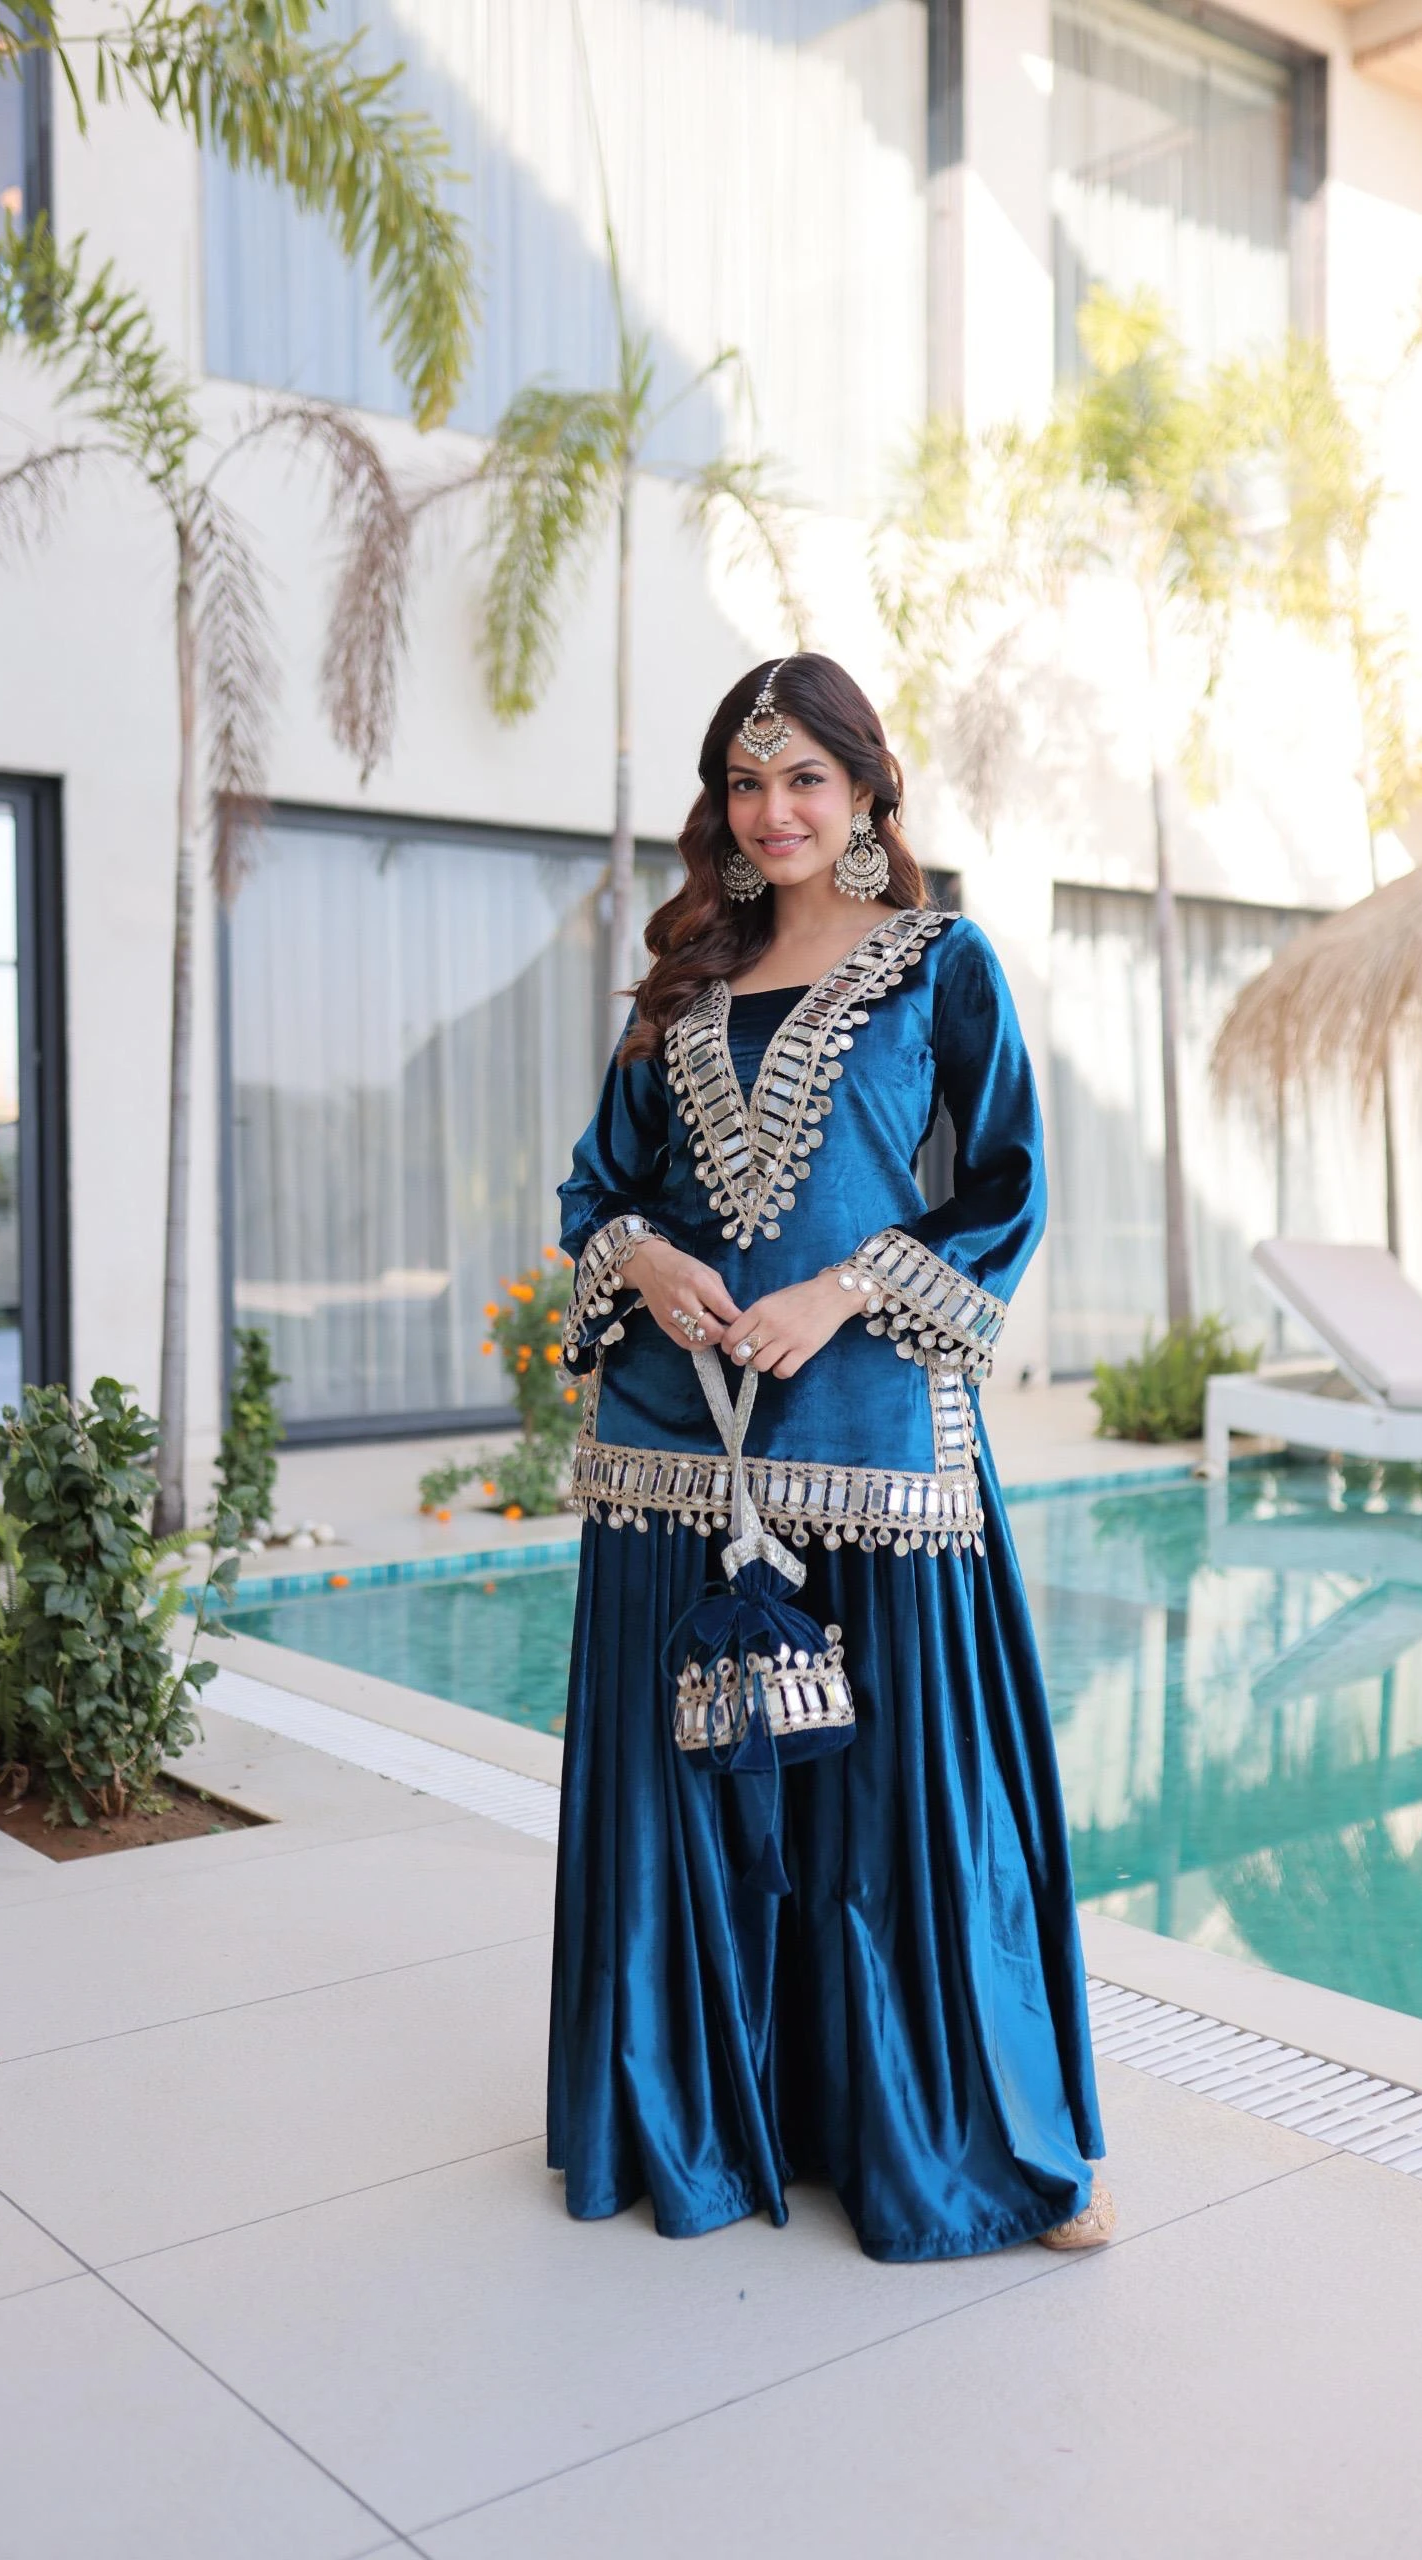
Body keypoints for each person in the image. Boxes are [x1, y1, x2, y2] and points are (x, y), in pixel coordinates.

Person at [548, 652, 1110, 2261]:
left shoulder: (941, 964)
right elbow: (597, 1195)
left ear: (866, 791)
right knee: (689, 1800)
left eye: (802, 777)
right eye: (745, 781)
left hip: (873, 1444)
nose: (772, 810)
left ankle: (965, 2139)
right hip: (677, 1440)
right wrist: (646, 1259)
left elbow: (1004, 1185)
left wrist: (844, 1290)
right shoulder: (682, 987)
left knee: (899, 1810)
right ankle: (701, 2121)